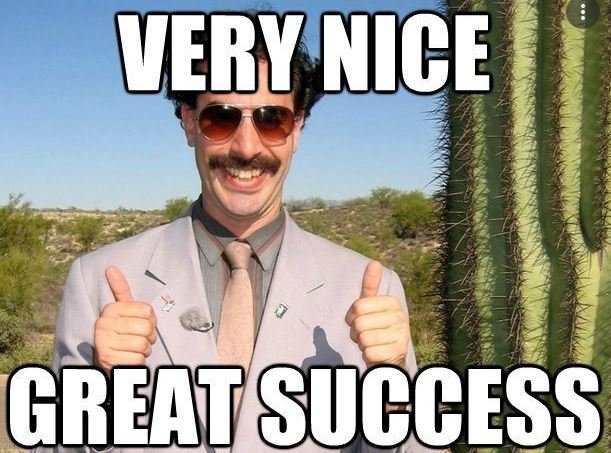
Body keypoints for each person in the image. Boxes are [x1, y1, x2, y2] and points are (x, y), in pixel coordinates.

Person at [52, 16, 426, 453]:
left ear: (297, 129)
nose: (247, 148)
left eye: (271, 120)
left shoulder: (370, 290)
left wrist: (393, 394)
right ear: (189, 123)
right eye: (220, 118)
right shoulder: (95, 282)